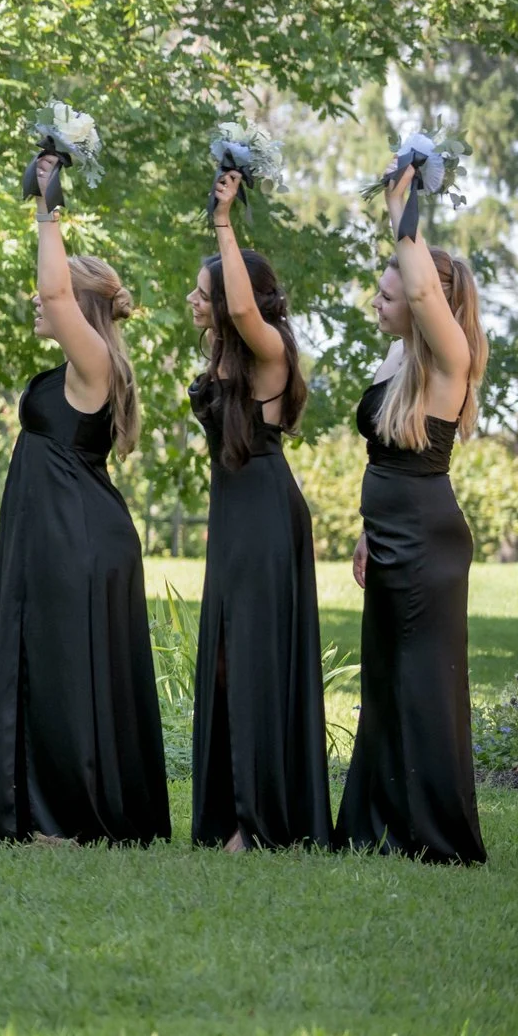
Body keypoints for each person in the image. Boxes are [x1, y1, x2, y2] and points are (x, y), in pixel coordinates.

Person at [0, 163, 170, 845]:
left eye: (50, 296)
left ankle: (71, 817)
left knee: (66, 676)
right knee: (45, 671)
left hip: (77, 539)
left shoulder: (95, 363)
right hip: (51, 536)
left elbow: (54, 289)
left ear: (80, 308)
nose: (37, 302)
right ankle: (35, 813)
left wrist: (48, 207)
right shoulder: (70, 368)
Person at [338, 171, 489, 864]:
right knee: (385, 677)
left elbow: (427, 287)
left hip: (429, 541)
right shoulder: (397, 357)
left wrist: (405, 210)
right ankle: (377, 821)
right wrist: (368, 528)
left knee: (423, 680)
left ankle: (434, 833)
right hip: (391, 530)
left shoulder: (449, 361)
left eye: (391, 289)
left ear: (426, 304)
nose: (382, 296)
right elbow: (390, 454)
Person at [186, 172, 328, 851]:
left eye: (203, 291)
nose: (195, 299)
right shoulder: (224, 355)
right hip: (235, 515)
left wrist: (223, 222)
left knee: (251, 658)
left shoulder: (268, 348)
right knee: (221, 656)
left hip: (269, 511)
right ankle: (227, 812)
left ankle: (261, 820)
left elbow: (245, 313)